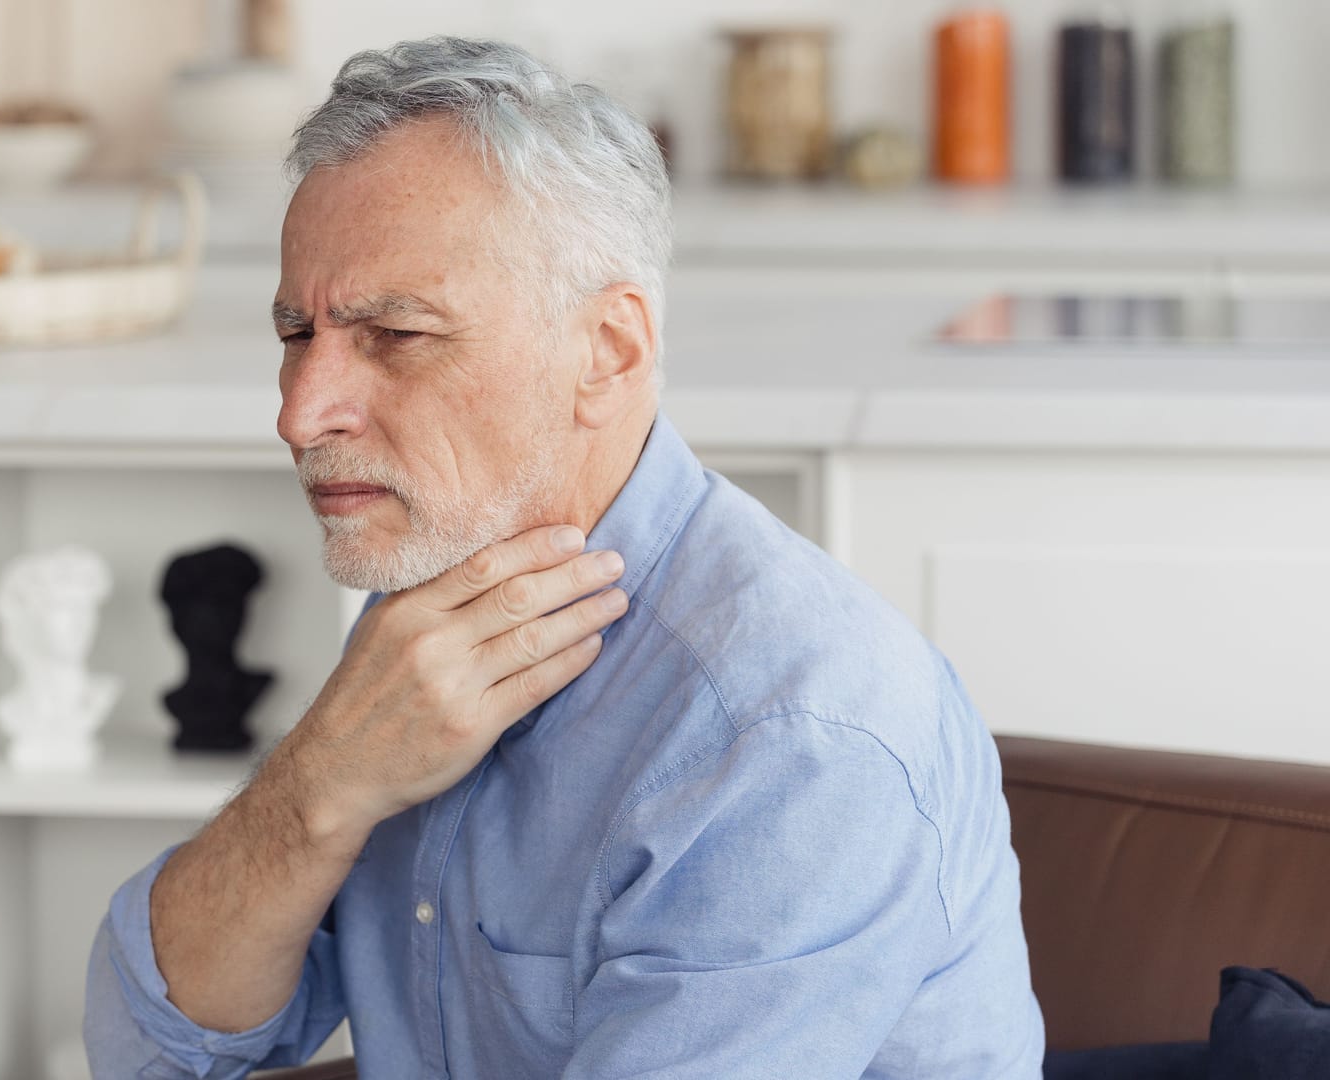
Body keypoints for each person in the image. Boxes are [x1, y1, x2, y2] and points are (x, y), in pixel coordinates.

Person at [85, 36, 1045, 1079]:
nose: (299, 413)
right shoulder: (432, 615)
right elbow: (144, 1050)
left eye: (394, 336)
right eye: (294, 335)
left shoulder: (791, 732)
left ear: (608, 352)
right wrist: (323, 780)